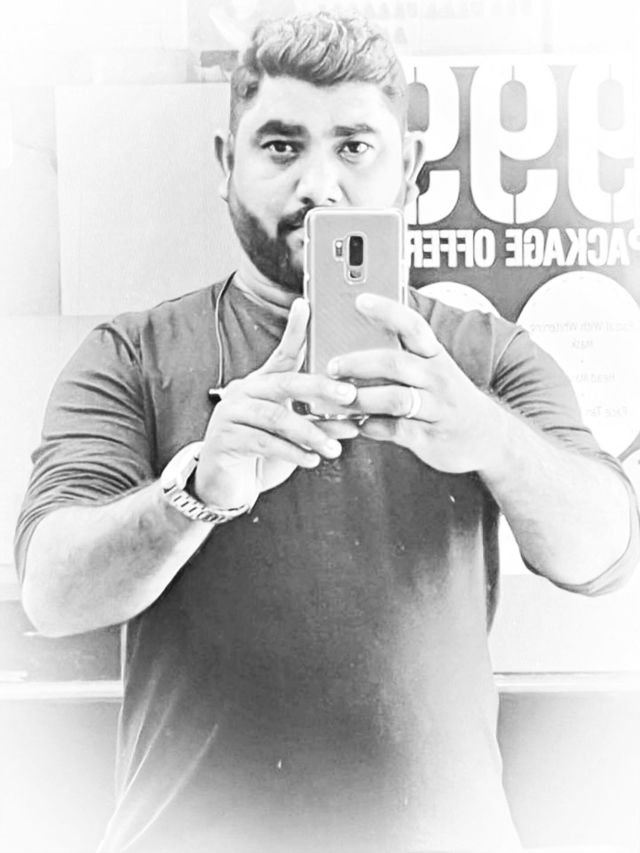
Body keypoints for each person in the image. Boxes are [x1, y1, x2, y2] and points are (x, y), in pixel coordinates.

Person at [15, 13, 639, 853]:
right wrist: (196, 490)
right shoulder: (131, 355)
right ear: (226, 165)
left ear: (408, 168)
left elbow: (606, 552)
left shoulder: (486, 357)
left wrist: (489, 437)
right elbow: (52, 596)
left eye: (354, 147)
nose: (319, 185)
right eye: (280, 146)